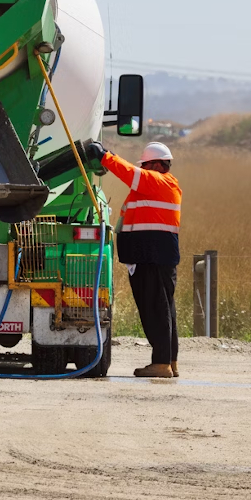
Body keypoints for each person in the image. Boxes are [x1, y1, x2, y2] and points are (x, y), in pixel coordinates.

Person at [86, 140, 182, 378]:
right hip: (152, 255)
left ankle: (161, 364)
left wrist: (105, 156)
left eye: (147, 165)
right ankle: (169, 360)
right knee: (164, 309)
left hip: (151, 255)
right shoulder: (154, 187)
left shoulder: (158, 182)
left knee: (155, 308)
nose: (144, 169)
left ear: (158, 165)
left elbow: (130, 173)